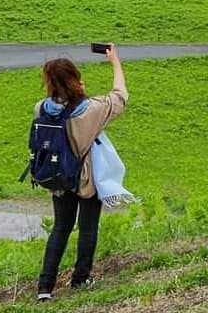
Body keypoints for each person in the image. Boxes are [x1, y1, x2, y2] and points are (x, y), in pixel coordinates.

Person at [36, 45, 128, 302]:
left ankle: (45, 288)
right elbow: (120, 96)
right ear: (76, 79)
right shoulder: (91, 110)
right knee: (87, 228)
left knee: (60, 229)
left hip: (58, 178)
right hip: (87, 179)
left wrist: (72, 91)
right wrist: (115, 61)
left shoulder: (41, 109)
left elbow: (60, 108)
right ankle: (81, 278)